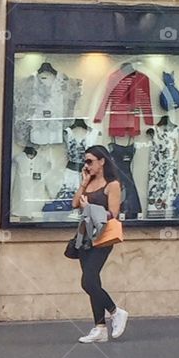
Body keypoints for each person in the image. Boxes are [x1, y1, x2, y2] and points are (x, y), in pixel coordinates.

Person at [72, 145, 129, 344]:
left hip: (103, 236)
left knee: (87, 281)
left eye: (90, 161)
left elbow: (112, 213)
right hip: (85, 235)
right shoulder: (89, 182)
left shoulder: (112, 184)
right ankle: (100, 327)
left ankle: (116, 312)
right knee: (93, 281)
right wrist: (84, 183)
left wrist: (91, 208)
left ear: (102, 161)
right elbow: (74, 203)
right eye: (85, 161)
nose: (87, 165)